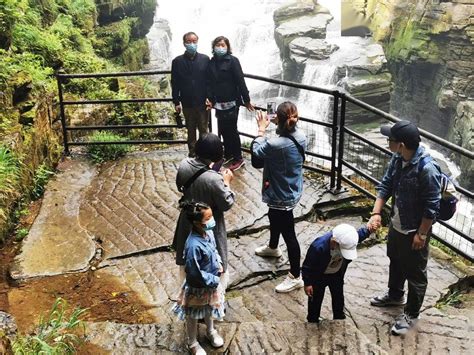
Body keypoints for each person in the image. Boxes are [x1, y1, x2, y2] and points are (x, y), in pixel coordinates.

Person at [368, 120, 441, 335]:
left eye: (389, 139)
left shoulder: (427, 169)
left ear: (400, 144)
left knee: (416, 274)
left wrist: (422, 234)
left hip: (414, 230)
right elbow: (386, 184)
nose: (386, 142)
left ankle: (411, 313)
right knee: (396, 260)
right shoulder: (398, 158)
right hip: (398, 225)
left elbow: (432, 206)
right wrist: (376, 213)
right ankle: (395, 295)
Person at [252, 102, 307, 293]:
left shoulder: (275, 144)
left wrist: (261, 129)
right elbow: (288, 129)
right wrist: (279, 124)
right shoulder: (301, 136)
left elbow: (256, 154)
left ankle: (295, 276)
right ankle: (273, 247)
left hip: (280, 195)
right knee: (272, 216)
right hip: (291, 187)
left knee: (289, 235)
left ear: (280, 119)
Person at [173, 133, 235, 289]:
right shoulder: (214, 179)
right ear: (217, 154)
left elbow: (180, 185)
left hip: (188, 220)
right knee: (214, 258)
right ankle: (215, 295)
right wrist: (226, 182)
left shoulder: (184, 164)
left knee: (188, 256)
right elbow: (226, 203)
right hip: (208, 222)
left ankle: (189, 291)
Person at [172, 201, 225, 355]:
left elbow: (214, 250)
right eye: (208, 218)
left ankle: (210, 331)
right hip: (198, 287)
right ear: (196, 222)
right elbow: (194, 272)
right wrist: (214, 279)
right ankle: (192, 342)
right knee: (193, 315)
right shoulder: (193, 246)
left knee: (210, 308)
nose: (212, 221)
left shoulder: (208, 233)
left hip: (210, 285)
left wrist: (219, 262)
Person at [302, 223, 375, 323]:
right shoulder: (318, 247)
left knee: (338, 297)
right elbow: (307, 266)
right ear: (334, 242)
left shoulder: (349, 240)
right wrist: (308, 283)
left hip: (336, 274)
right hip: (318, 276)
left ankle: (339, 317)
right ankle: (312, 318)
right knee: (316, 298)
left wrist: (368, 230)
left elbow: (359, 236)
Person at [207, 35, 254, 171]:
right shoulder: (212, 62)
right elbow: (209, 83)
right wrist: (210, 99)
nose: (220, 47)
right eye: (218, 45)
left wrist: (247, 100)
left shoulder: (233, 61)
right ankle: (228, 154)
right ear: (213, 47)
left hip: (232, 102)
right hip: (218, 103)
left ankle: (238, 158)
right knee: (223, 128)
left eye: (223, 45)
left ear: (227, 47)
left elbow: (240, 81)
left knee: (232, 130)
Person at [171, 32, 210, 157]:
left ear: (197, 42)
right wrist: (176, 101)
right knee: (191, 131)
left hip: (203, 102)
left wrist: (210, 98)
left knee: (204, 130)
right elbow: (175, 82)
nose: (192, 44)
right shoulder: (177, 61)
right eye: (189, 42)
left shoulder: (205, 59)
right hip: (187, 103)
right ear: (184, 43)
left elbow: (210, 81)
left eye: (194, 41)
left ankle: (205, 155)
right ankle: (192, 154)